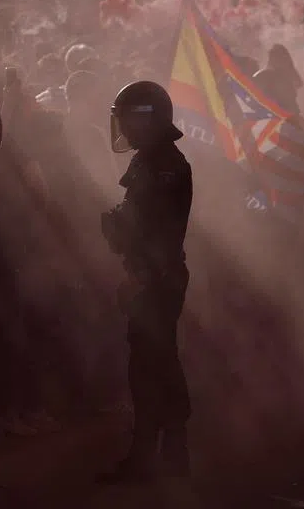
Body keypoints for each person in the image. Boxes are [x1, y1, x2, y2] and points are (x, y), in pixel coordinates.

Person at [100, 81, 193, 482]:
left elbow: (156, 230)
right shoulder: (153, 160)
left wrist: (139, 275)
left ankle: (151, 453)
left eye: (128, 117)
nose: (123, 126)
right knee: (158, 360)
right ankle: (171, 448)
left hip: (154, 276)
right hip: (154, 273)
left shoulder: (163, 166)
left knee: (150, 365)